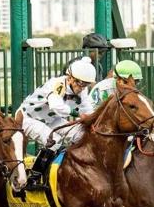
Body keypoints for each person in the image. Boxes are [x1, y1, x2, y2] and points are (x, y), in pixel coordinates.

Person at [15, 57, 97, 188]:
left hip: (52, 119)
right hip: (28, 118)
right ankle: (33, 179)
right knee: (54, 140)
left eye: (86, 84)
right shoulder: (57, 84)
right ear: (70, 78)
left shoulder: (83, 90)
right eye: (80, 83)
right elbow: (56, 106)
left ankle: (76, 171)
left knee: (82, 134)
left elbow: (87, 109)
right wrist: (78, 115)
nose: (82, 88)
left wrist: (94, 120)